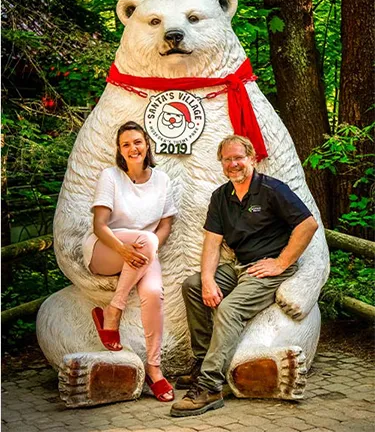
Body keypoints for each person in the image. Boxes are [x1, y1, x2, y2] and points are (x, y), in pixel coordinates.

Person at [170, 135, 318, 417]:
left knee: (229, 308)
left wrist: (280, 262)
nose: (233, 164)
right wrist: (208, 280)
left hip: (268, 269)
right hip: (240, 266)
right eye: (227, 159)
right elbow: (212, 242)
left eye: (239, 157)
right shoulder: (221, 197)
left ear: (252, 158)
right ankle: (203, 363)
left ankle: (210, 386)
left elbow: (308, 225)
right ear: (222, 163)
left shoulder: (272, 190)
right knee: (192, 285)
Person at [82, 121, 177, 402]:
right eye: (126, 144)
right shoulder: (110, 176)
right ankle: (115, 309)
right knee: (146, 239)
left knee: (153, 293)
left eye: (137, 142)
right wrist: (124, 250)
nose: (133, 148)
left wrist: (149, 248)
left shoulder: (162, 180)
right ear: (120, 151)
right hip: (107, 249)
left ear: (147, 144)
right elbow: (99, 225)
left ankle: (154, 368)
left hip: (144, 251)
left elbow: (165, 226)